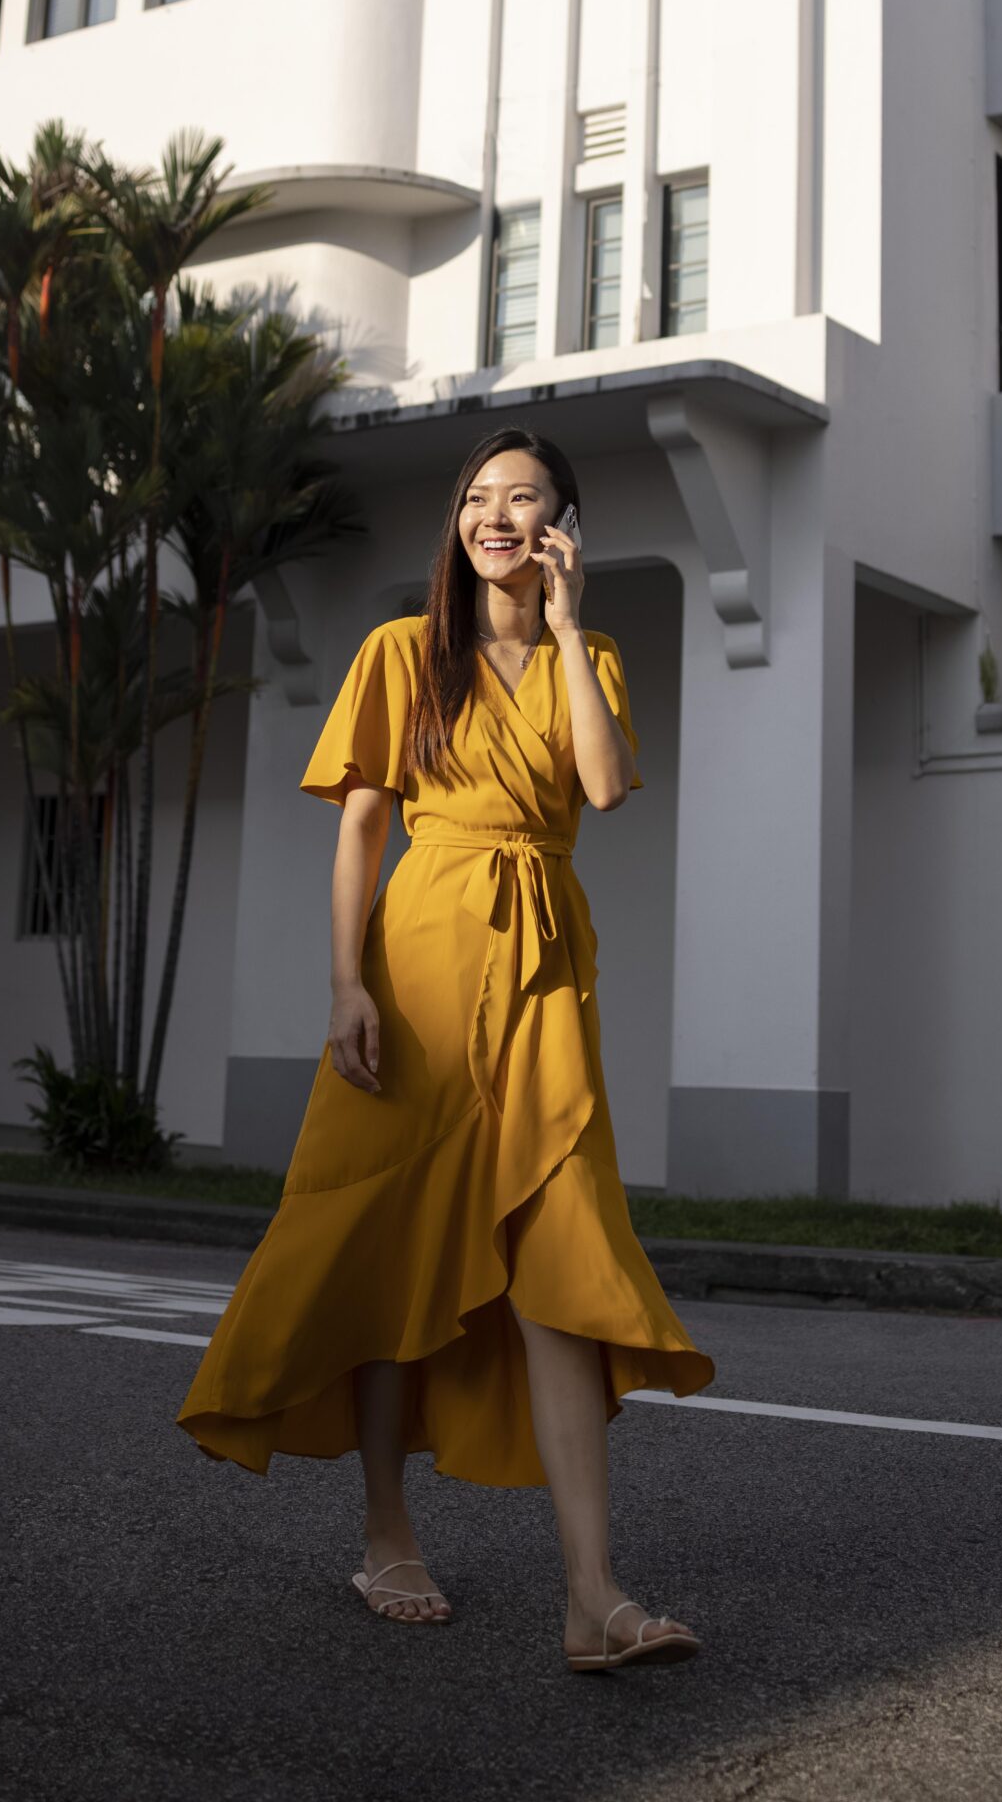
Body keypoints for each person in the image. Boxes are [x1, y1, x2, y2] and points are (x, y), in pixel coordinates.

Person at [177, 426, 715, 1671]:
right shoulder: (399, 652)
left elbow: (606, 784)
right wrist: (343, 986)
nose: (496, 516)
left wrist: (571, 627)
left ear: (564, 525)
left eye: (525, 498)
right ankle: (385, 1534)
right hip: (415, 970)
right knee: (382, 1246)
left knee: (561, 1266)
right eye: (478, 498)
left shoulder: (599, 655)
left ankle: (592, 1594)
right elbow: (361, 830)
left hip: (537, 978)